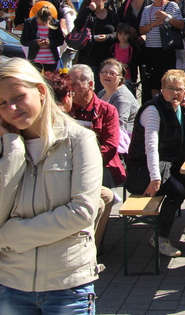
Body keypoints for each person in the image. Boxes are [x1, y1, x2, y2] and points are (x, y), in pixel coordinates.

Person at [0, 58, 103, 313]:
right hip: (8, 284)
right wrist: (12, 151)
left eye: (18, 96)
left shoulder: (79, 140)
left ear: (41, 91)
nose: (12, 108)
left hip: (67, 285)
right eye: (2, 103)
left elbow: (82, 212)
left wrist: (9, 236)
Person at [125, 69, 185, 256]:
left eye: (179, 89)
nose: (175, 93)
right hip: (144, 168)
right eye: (170, 88)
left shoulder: (183, 109)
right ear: (162, 90)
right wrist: (155, 177)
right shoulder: (152, 110)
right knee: (177, 191)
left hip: (172, 164)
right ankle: (159, 238)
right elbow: (151, 147)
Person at [67, 64, 124, 252]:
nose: (70, 88)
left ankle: (94, 245)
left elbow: (110, 146)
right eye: (68, 84)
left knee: (101, 187)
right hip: (68, 164)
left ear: (90, 84)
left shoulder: (107, 110)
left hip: (100, 164)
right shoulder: (66, 109)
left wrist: (86, 164)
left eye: (74, 84)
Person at [139, 0, 185, 98]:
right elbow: (141, 29)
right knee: (153, 82)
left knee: (168, 81)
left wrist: (167, 18)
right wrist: (153, 24)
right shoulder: (147, 9)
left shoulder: (172, 6)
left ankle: (168, 103)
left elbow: (181, 25)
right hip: (151, 49)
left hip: (167, 49)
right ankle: (156, 104)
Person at [74, 0, 119, 81]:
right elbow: (77, 25)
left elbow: (118, 33)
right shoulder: (87, 13)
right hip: (89, 54)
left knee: (104, 83)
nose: (94, 1)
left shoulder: (112, 15)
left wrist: (107, 37)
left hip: (107, 55)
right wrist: (88, 10)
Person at [98, 58, 139, 155]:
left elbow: (119, 124)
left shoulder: (122, 97)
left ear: (120, 77)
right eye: (104, 72)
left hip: (125, 143)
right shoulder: (101, 93)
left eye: (112, 73)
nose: (107, 75)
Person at [118, 0, 153, 87]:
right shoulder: (127, 4)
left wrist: (146, 35)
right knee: (129, 78)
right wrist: (127, 28)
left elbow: (157, 25)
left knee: (147, 79)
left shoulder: (152, 4)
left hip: (146, 46)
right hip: (128, 46)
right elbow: (117, 21)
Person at [20, 4, 64, 72]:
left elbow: (60, 40)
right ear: (37, 17)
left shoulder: (55, 23)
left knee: (51, 78)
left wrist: (50, 42)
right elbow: (23, 41)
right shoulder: (29, 23)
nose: (44, 24)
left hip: (51, 60)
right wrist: (36, 42)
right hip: (35, 59)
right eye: (42, 22)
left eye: (46, 22)